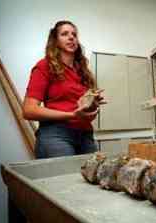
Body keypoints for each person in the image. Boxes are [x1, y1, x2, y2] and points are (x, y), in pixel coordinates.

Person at [23, 20, 105, 159]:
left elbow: (86, 114)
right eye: (64, 34)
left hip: (85, 135)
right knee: (65, 179)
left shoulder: (83, 73)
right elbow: (29, 110)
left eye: (74, 34)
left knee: (92, 178)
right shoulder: (44, 66)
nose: (71, 37)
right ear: (55, 40)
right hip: (56, 134)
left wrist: (92, 107)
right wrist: (72, 115)